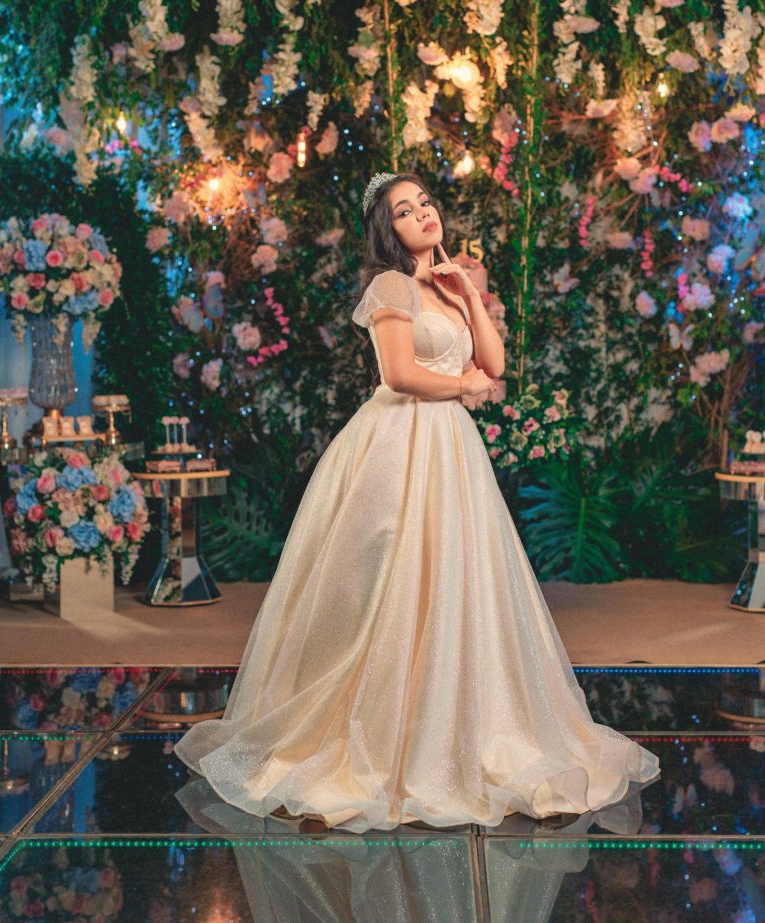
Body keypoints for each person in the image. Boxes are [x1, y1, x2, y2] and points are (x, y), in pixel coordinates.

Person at [173, 171, 660, 835]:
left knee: (459, 579)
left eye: (425, 202)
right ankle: (385, 731)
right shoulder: (391, 286)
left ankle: (456, 727)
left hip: (452, 448)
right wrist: (460, 382)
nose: (422, 215)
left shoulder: (464, 275)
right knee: (389, 581)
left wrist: (467, 296)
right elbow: (400, 373)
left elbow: (494, 365)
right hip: (397, 438)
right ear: (388, 230)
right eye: (405, 211)